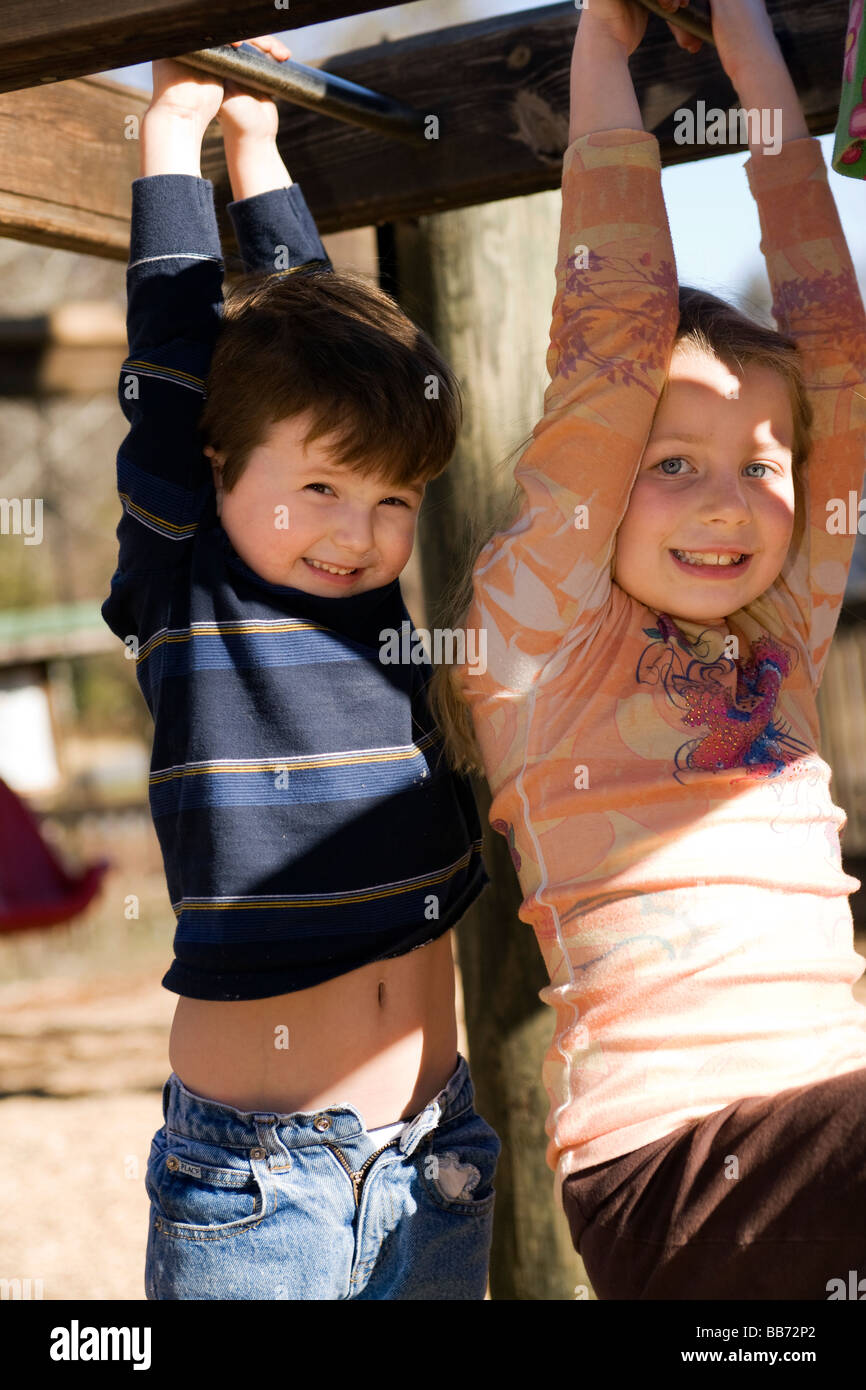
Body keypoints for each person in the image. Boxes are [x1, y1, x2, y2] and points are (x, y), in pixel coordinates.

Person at [433, 0, 866, 1298]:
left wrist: (750, 64)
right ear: (606, 468)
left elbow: (835, 363)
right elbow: (611, 347)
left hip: (817, 1144)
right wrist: (598, 52)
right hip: (676, 1164)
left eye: (757, 463)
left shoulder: (775, 625)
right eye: (670, 464)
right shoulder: (538, 637)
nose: (726, 500)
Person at [101, 34, 499, 1301]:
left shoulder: (366, 583)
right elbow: (176, 355)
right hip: (263, 1171)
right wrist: (176, 133)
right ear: (214, 464)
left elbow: (319, 337)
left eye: (391, 499)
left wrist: (263, 144)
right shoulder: (186, 564)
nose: (355, 528)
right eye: (320, 488)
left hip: (438, 1148)